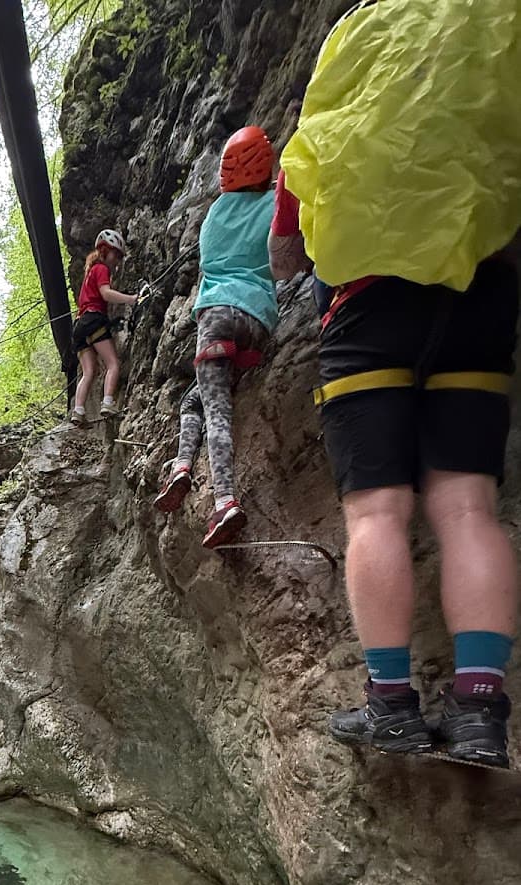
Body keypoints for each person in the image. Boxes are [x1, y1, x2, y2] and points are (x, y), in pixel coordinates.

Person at [270, 155, 518, 769]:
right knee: (467, 507)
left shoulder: (333, 116)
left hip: (371, 305)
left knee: (377, 513)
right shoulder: (488, 78)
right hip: (481, 292)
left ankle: (391, 704)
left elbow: (284, 256)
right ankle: (479, 711)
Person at [154, 127, 278, 548]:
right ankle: (182, 467)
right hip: (258, 323)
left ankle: (223, 500)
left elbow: (209, 267)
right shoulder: (277, 199)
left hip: (216, 319)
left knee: (216, 409)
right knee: (196, 399)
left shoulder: (212, 219)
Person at [69, 229, 140, 426]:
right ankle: (108, 402)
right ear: (105, 251)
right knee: (113, 364)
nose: (117, 260)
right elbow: (106, 294)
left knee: (89, 372)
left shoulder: (90, 271)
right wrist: (131, 299)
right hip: (93, 320)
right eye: (116, 255)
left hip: (79, 326)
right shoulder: (101, 268)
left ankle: (78, 411)